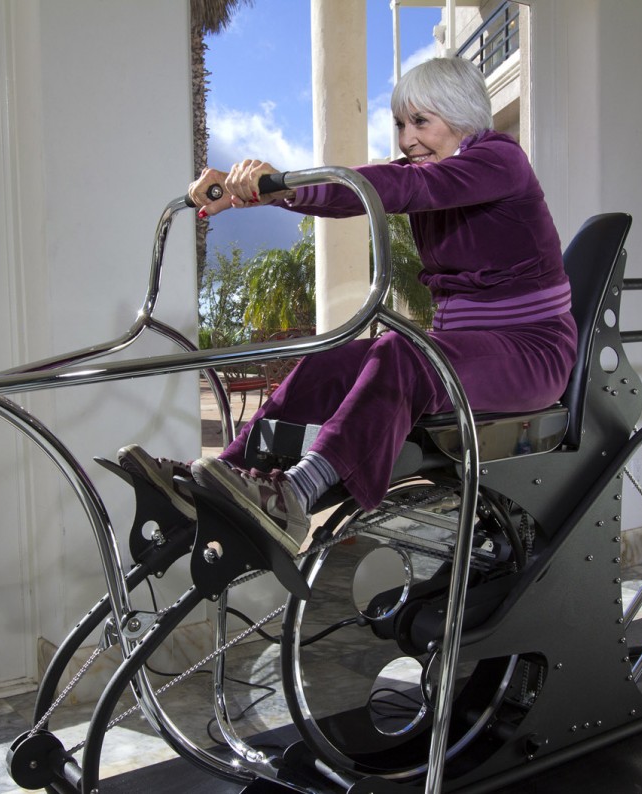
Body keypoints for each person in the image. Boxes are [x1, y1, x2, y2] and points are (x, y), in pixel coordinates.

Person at [119, 57, 576, 557]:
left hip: (532, 349)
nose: (406, 139)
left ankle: (293, 497)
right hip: (458, 347)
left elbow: (405, 188)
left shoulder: (499, 158)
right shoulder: (433, 167)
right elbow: (357, 190)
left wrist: (283, 185)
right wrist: (257, 192)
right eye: (401, 124)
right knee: (329, 360)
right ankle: (225, 473)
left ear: (462, 114)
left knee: (403, 354)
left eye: (421, 122)